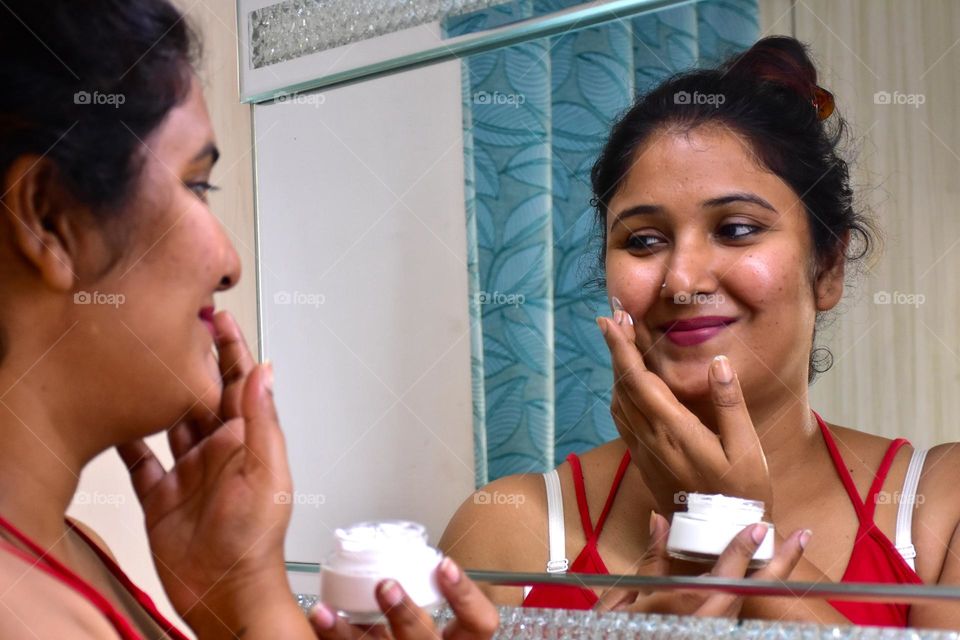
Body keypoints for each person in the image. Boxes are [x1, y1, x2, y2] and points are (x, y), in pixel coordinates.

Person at [0, 1, 501, 638]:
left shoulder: (65, 549)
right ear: (48, 219)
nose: (230, 265)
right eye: (196, 184)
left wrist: (243, 592)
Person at [440, 36, 960, 629]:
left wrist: (725, 533)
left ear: (828, 268)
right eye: (643, 240)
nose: (681, 280)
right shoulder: (512, 527)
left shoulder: (937, 508)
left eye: (737, 229)